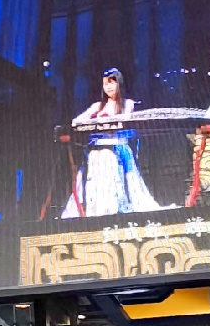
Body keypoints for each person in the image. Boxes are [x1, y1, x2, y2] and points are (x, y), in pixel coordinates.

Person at [62, 69, 165, 218]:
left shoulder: (127, 104)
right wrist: (95, 119)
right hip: (98, 148)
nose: (108, 87)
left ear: (119, 83)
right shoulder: (98, 106)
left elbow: (125, 122)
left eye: (111, 83)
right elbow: (76, 121)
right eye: (105, 84)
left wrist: (108, 119)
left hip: (117, 146)